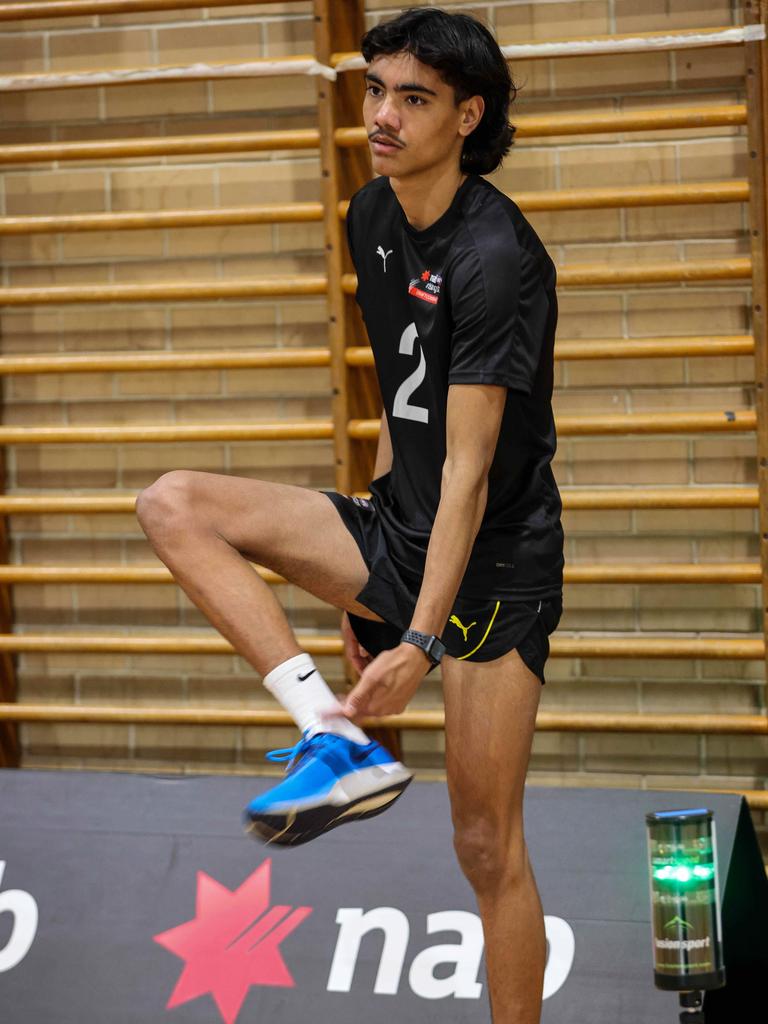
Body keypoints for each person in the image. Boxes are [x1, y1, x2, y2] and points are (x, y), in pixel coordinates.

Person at [136, 7, 563, 1021]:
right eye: (376, 90)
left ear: (468, 116)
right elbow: (396, 409)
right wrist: (367, 580)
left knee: (485, 842)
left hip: (496, 565)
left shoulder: (496, 254)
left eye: (413, 99)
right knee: (174, 503)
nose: (382, 115)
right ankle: (332, 737)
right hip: (401, 525)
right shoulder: (372, 216)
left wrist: (417, 630)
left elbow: (467, 468)